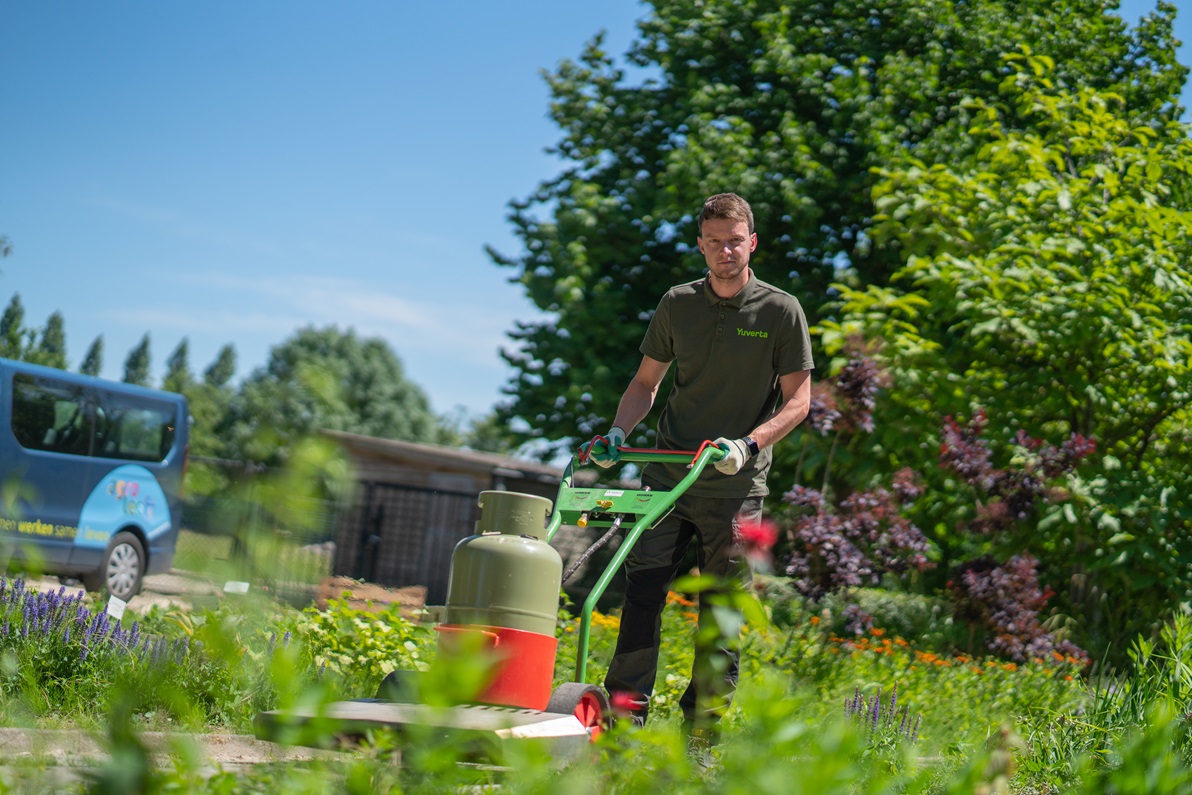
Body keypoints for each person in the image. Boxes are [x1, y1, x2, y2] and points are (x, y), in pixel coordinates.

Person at [586, 192, 814, 747]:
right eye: (714, 242)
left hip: (734, 486)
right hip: (668, 477)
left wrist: (749, 444)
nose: (725, 251)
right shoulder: (677, 304)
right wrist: (620, 433)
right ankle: (621, 730)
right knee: (641, 598)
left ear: (751, 242)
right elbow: (645, 385)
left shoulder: (781, 311)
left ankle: (700, 745)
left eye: (734, 240)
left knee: (720, 615)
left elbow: (799, 401)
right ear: (701, 245)